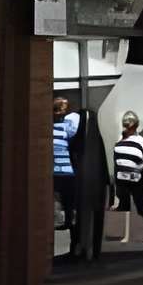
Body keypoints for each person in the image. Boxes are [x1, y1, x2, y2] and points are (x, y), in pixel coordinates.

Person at [112, 110, 143, 243]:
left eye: (130, 125)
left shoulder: (140, 140)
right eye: (126, 124)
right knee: (125, 208)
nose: (128, 127)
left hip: (138, 180)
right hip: (122, 180)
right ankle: (126, 234)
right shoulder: (120, 139)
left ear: (135, 126)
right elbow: (116, 161)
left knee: (140, 207)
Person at [52, 94, 81, 249]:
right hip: (67, 171)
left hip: (54, 171)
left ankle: (61, 223)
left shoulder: (49, 128)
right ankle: (69, 222)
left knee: (56, 200)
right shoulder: (67, 128)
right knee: (69, 202)